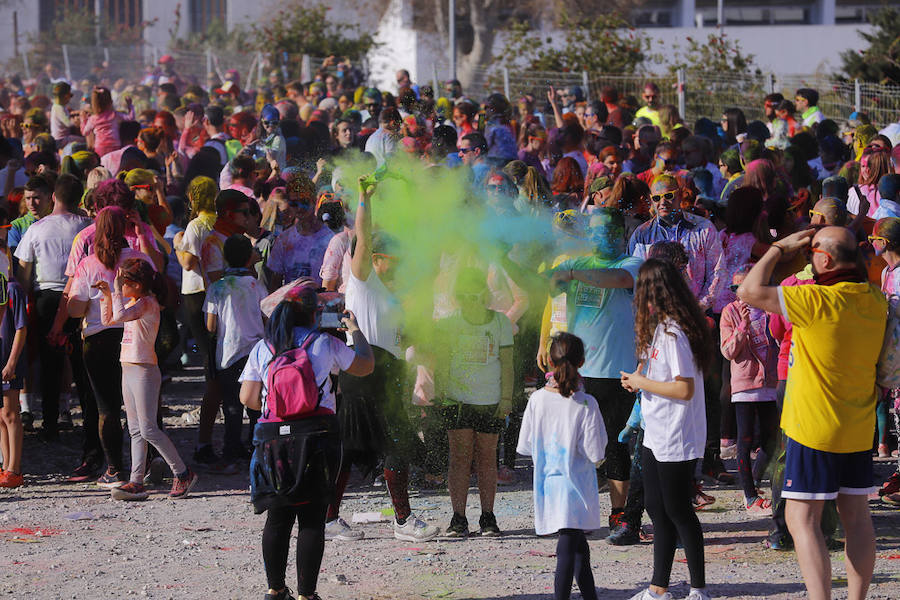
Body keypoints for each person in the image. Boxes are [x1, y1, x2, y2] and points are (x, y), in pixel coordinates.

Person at [737, 226, 885, 600]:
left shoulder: (814, 300)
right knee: (857, 519)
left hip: (812, 428)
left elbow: (748, 291)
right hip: (857, 426)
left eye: (812, 253)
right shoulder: (874, 299)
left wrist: (776, 249)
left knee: (801, 518)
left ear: (825, 258)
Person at [239, 284, 374, 600]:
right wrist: (354, 331)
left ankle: (275, 590)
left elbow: (247, 397)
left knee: (278, 514)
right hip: (318, 436)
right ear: (316, 314)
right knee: (312, 517)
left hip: (273, 440)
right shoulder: (325, 343)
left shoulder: (264, 348)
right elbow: (365, 366)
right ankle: (306, 595)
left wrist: (281, 407)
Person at [333, 175, 440, 542]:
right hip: (362, 372)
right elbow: (362, 236)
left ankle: (402, 521)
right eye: (394, 260)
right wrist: (364, 198)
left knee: (398, 445)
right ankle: (330, 519)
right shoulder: (363, 280)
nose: (400, 266)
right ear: (375, 259)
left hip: (389, 373)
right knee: (349, 448)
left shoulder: (392, 295)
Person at [621, 258, 713, 600]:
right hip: (655, 429)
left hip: (677, 433)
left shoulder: (675, 332)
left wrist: (642, 380)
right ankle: (658, 588)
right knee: (656, 508)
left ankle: (698, 588)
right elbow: (655, 377)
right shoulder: (657, 329)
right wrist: (637, 381)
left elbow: (684, 388)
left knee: (678, 510)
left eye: (641, 288)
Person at [549, 208, 642, 531]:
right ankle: (576, 511)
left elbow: (617, 281)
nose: (599, 235)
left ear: (620, 233)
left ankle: (619, 512)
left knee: (615, 445)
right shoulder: (578, 263)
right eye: (594, 230)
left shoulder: (631, 263)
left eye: (606, 230)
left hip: (619, 371)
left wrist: (571, 272)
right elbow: (552, 295)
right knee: (576, 444)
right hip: (579, 372)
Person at [67, 206, 156, 488]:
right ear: (125, 229)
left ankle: (115, 469)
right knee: (143, 407)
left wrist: (83, 298)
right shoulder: (140, 259)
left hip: (98, 340)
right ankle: (149, 466)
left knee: (107, 409)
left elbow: (74, 309)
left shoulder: (88, 264)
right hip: (135, 338)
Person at [95, 258, 198, 500]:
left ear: (138, 285)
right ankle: (136, 480)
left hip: (144, 370)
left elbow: (118, 317)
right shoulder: (136, 302)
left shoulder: (148, 303)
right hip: (128, 367)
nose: (120, 286)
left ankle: (182, 472)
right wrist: (107, 296)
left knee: (149, 428)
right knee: (135, 430)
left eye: (124, 283)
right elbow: (108, 320)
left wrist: (114, 292)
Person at [518, 332, 606, 600]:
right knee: (569, 547)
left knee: (578, 546)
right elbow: (596, 452)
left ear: (549, 361)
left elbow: (525, 446)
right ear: (582, 361)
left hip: (549, 485)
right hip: (577, 486)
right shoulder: (587, 403)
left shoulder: (536, 400)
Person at [434, 267, 513, 537]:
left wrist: (506, 399)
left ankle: (488, 517)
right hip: (457, 399)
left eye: (476, 296)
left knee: (487, 459)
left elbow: (508, 364)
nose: (471, 302)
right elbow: (442, 360)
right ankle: (458, 518)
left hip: (490, 400)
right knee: (459, 459)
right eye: (464, 296)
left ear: (485, 295)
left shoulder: (500, 322)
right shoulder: (450, 321)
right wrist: (441, 393)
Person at [14, 174, 91, 440]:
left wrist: (24, 302)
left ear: (54, 197)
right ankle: (91, 420)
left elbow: (24, 272)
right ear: (78, 199)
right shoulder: (88, 227)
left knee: (50, 363)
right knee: (82, 361)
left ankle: (49, 424)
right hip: (83, 298)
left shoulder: (37, 229)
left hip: (47, 298)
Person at [719, 265, 779, 514]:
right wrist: (742, 327)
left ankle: (752, 481)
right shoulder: (729, 312)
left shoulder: (770, 307)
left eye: (743, 287)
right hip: (744, 382)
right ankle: (750, 496)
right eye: (735, 288)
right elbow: (728, 351)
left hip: (771, 382)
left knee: (771, 439)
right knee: (743, 439)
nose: (739, 293)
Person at [205, 235, 267, 468]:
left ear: (224, 257)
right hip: (255, 352)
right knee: (255, 402)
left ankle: (231, 449)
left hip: (228, 354)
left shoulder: (217, 287)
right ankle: (255, 446)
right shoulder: (256, 285)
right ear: (250, 257)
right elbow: (266, 316)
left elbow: (210, 326)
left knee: (231, 404)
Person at [869, 218, 900, 503]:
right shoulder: (886, 273)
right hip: (890, 352)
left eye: (873, 239)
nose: (871, 244)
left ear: (885, 242)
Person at [266, 174, 334, 290]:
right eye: (294, 203)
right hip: (290, 305)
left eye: (305, 202)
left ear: (314, 200)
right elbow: (275, 284)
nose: (300, 208)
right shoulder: (284, 240)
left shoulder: (330, 239)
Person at [0, 273, 23, 488]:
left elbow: (20, 328)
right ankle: (5, 466)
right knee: (0, 416)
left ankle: (14, 469)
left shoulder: (12, 288)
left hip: (8, 357)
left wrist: (12, 362)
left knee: (10, 412)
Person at [81, 86, 132, 157]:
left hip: (100, 147)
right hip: (115, 145)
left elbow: (85, 132)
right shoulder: (114, 114)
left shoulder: (93, 119)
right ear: (110, 102)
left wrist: (83, 120)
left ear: (94, 103)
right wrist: (130, 105)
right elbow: (130, 118)